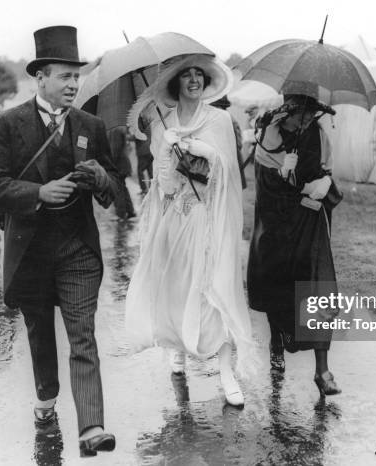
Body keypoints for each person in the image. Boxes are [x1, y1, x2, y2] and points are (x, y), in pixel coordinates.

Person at [0, 25, 119, 457]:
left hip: (78, 248)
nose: (73, 84)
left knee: (83, 335)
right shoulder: (6, 124)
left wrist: (101, 177)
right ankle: (45, 396)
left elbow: (114, 187)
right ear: (40, 78)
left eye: (76, 76)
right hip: (31, 252)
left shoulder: (91, 125)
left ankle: (92, 426)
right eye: (64, 76)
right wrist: (38, 193)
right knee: (41, 332)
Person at [125, 55, 254, 407]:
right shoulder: (162, 122)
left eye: (200, 75)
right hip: (177, 220)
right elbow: (165, 186)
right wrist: (166, 146)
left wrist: (200, 150)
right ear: (176, 83)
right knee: (178, 288)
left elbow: (228, 172)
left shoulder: (220, 119)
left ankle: (227, 374)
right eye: (187, 76)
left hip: (209, 220)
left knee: (218, 291)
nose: (194, 80)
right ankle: (178, 349)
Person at [247, 94, 342, 396]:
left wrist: (325, 184)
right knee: (279, 291)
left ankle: (322, 371)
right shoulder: (269, 136)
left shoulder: (318, 135)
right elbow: (264, 191)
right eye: (301, 111)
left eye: (312, 111)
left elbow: (325, 172)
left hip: (310, 224)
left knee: (319, 291)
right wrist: (285, 177)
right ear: (287, 109)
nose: (307, 117)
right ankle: (277, 343)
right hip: (277, 227)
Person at [210, 95, 247, 189]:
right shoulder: (228, 117)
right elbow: (239, 143)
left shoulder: (223, 118)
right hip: (227, 159)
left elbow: (238, 143)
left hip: (226, 160)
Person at [109, 125, 136, 219]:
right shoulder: (120, 128)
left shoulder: (115, 130)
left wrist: (110, 164)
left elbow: (115, 150)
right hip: (122, 163)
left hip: (118, 165)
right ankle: (130, 211)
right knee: (122, 187)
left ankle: (121, 213)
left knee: (117, 189)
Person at [134, 115, 154, 194]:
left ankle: (144, 189)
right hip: (150, 149)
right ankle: (151, 188)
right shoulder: (148, 120)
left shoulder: (139, 122)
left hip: (143, 150)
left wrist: (130, 136)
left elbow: (138, 135)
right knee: (150, 171)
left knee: (140, 171)